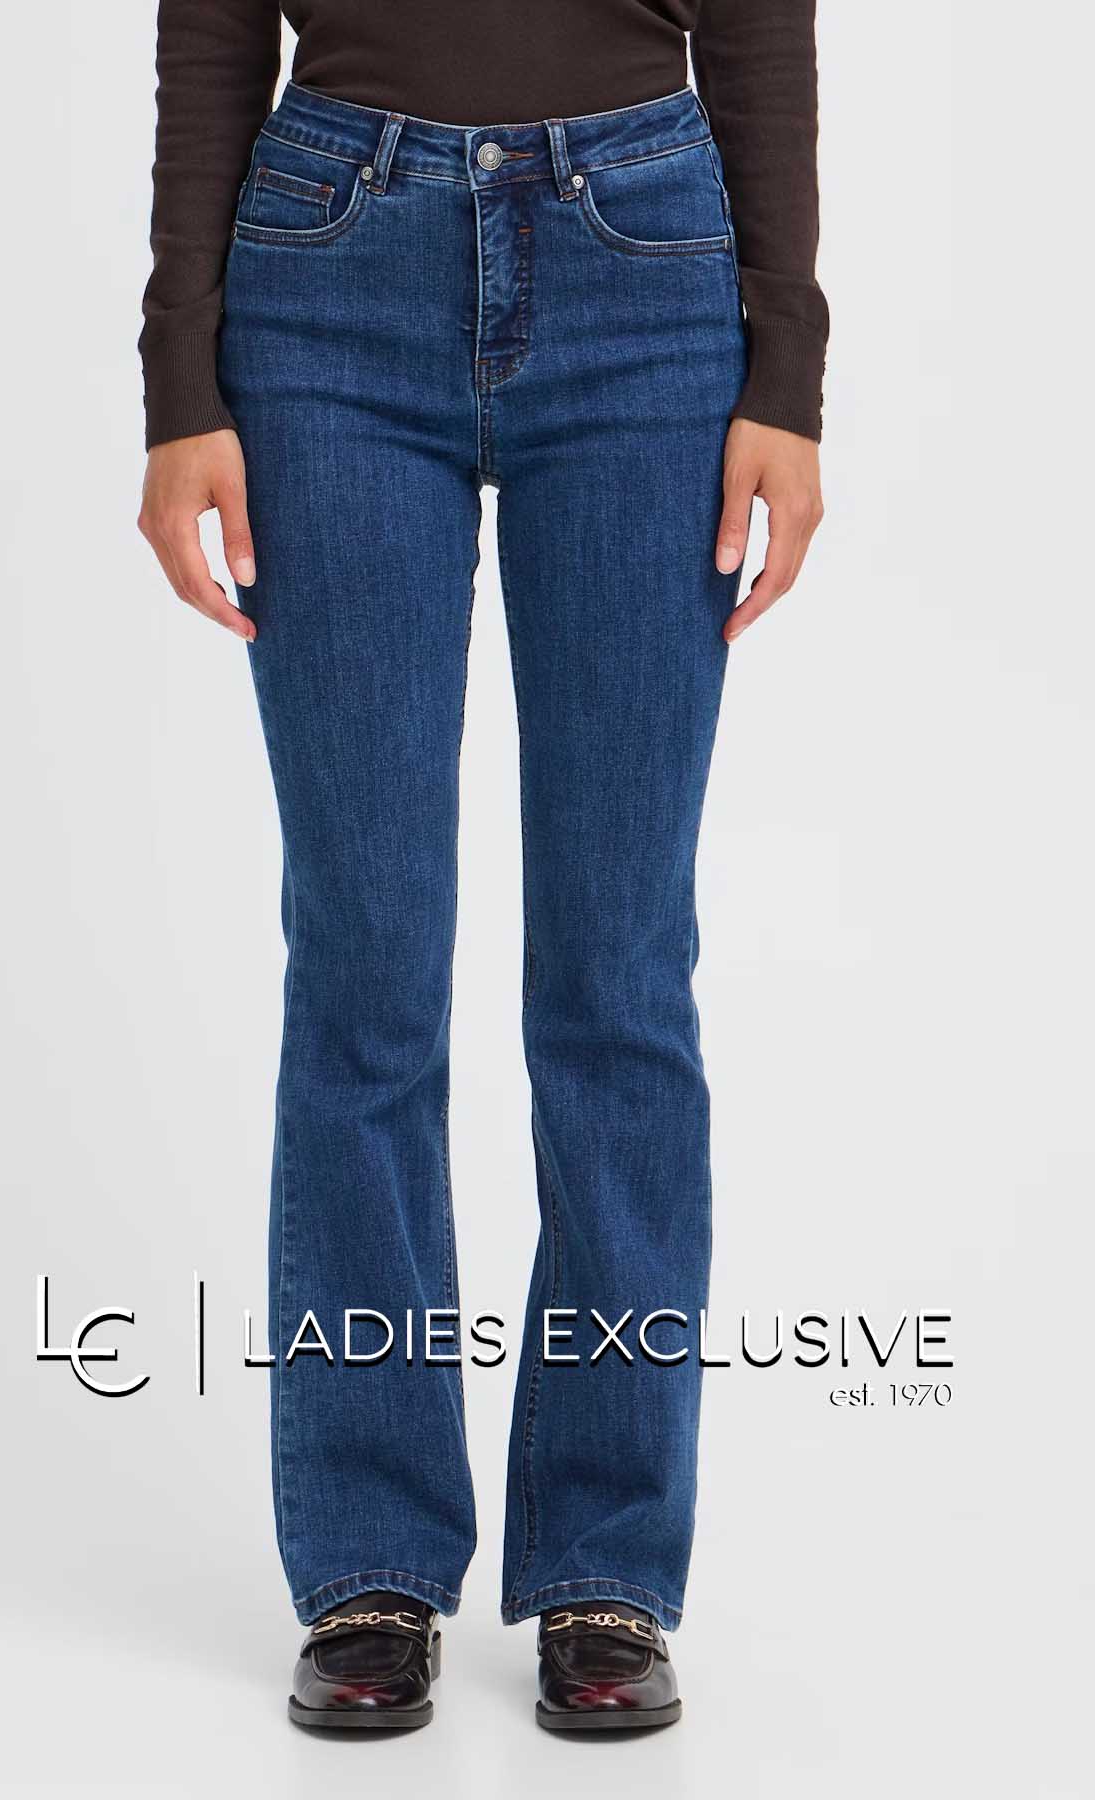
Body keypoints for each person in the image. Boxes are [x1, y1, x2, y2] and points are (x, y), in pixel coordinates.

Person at [137, 0, 826, 1734]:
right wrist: (179, 380)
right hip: (328, 273)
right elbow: (208, 24)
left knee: (618, 975)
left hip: (645, 266)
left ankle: (608, 1554)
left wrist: (788, 367)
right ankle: (370, 1550)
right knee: (364, 967)